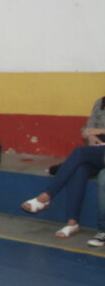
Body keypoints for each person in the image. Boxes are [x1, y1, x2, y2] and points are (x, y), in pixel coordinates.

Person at [20, 96, 105, 239]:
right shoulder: (100, 102)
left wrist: (98, 131)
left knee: (79, 152)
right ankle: (72, 222)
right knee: (79, 170)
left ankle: (47, 195)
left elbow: (93, 129)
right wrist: (90, 137)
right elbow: (87, 128)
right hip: (97, 150)